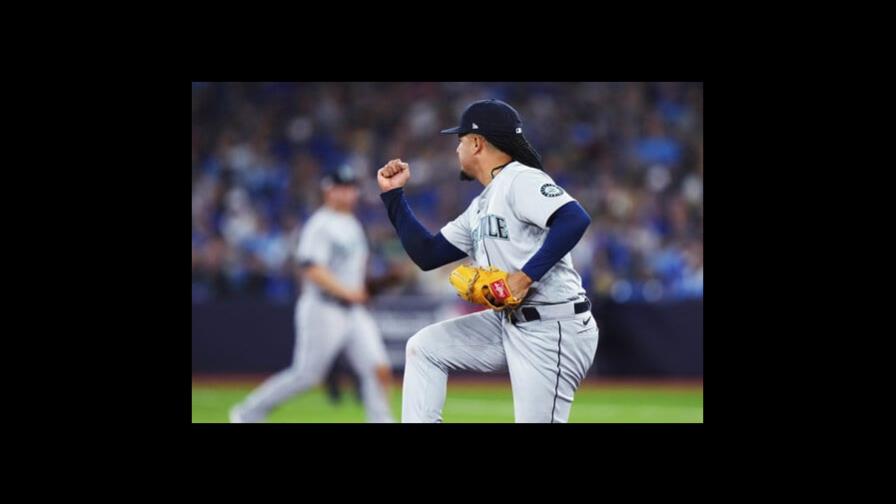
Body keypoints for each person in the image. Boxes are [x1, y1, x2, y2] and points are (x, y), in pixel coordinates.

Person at [378, 99, 599, 423]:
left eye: (461, 140)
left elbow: (574, 219)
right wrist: (393, 196)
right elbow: (428, 254)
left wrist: (523, 278)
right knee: (425, 347)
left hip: (554, 325)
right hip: (510, 322)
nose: (457, 149)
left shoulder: (520, 178)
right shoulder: (482, 203)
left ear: (477, 143)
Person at [230, 165, 394, 423]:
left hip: (354, 311)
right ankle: (248, 413)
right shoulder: (320, 224)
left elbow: (353, 270)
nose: (348, 193)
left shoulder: (352, 224)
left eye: (351, 188)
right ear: (328, 190)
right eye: (342, 188)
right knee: (306, 376)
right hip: (323, 308)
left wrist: (365, 289)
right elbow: (311, 268)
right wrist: (350, 293)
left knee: (377, 368)